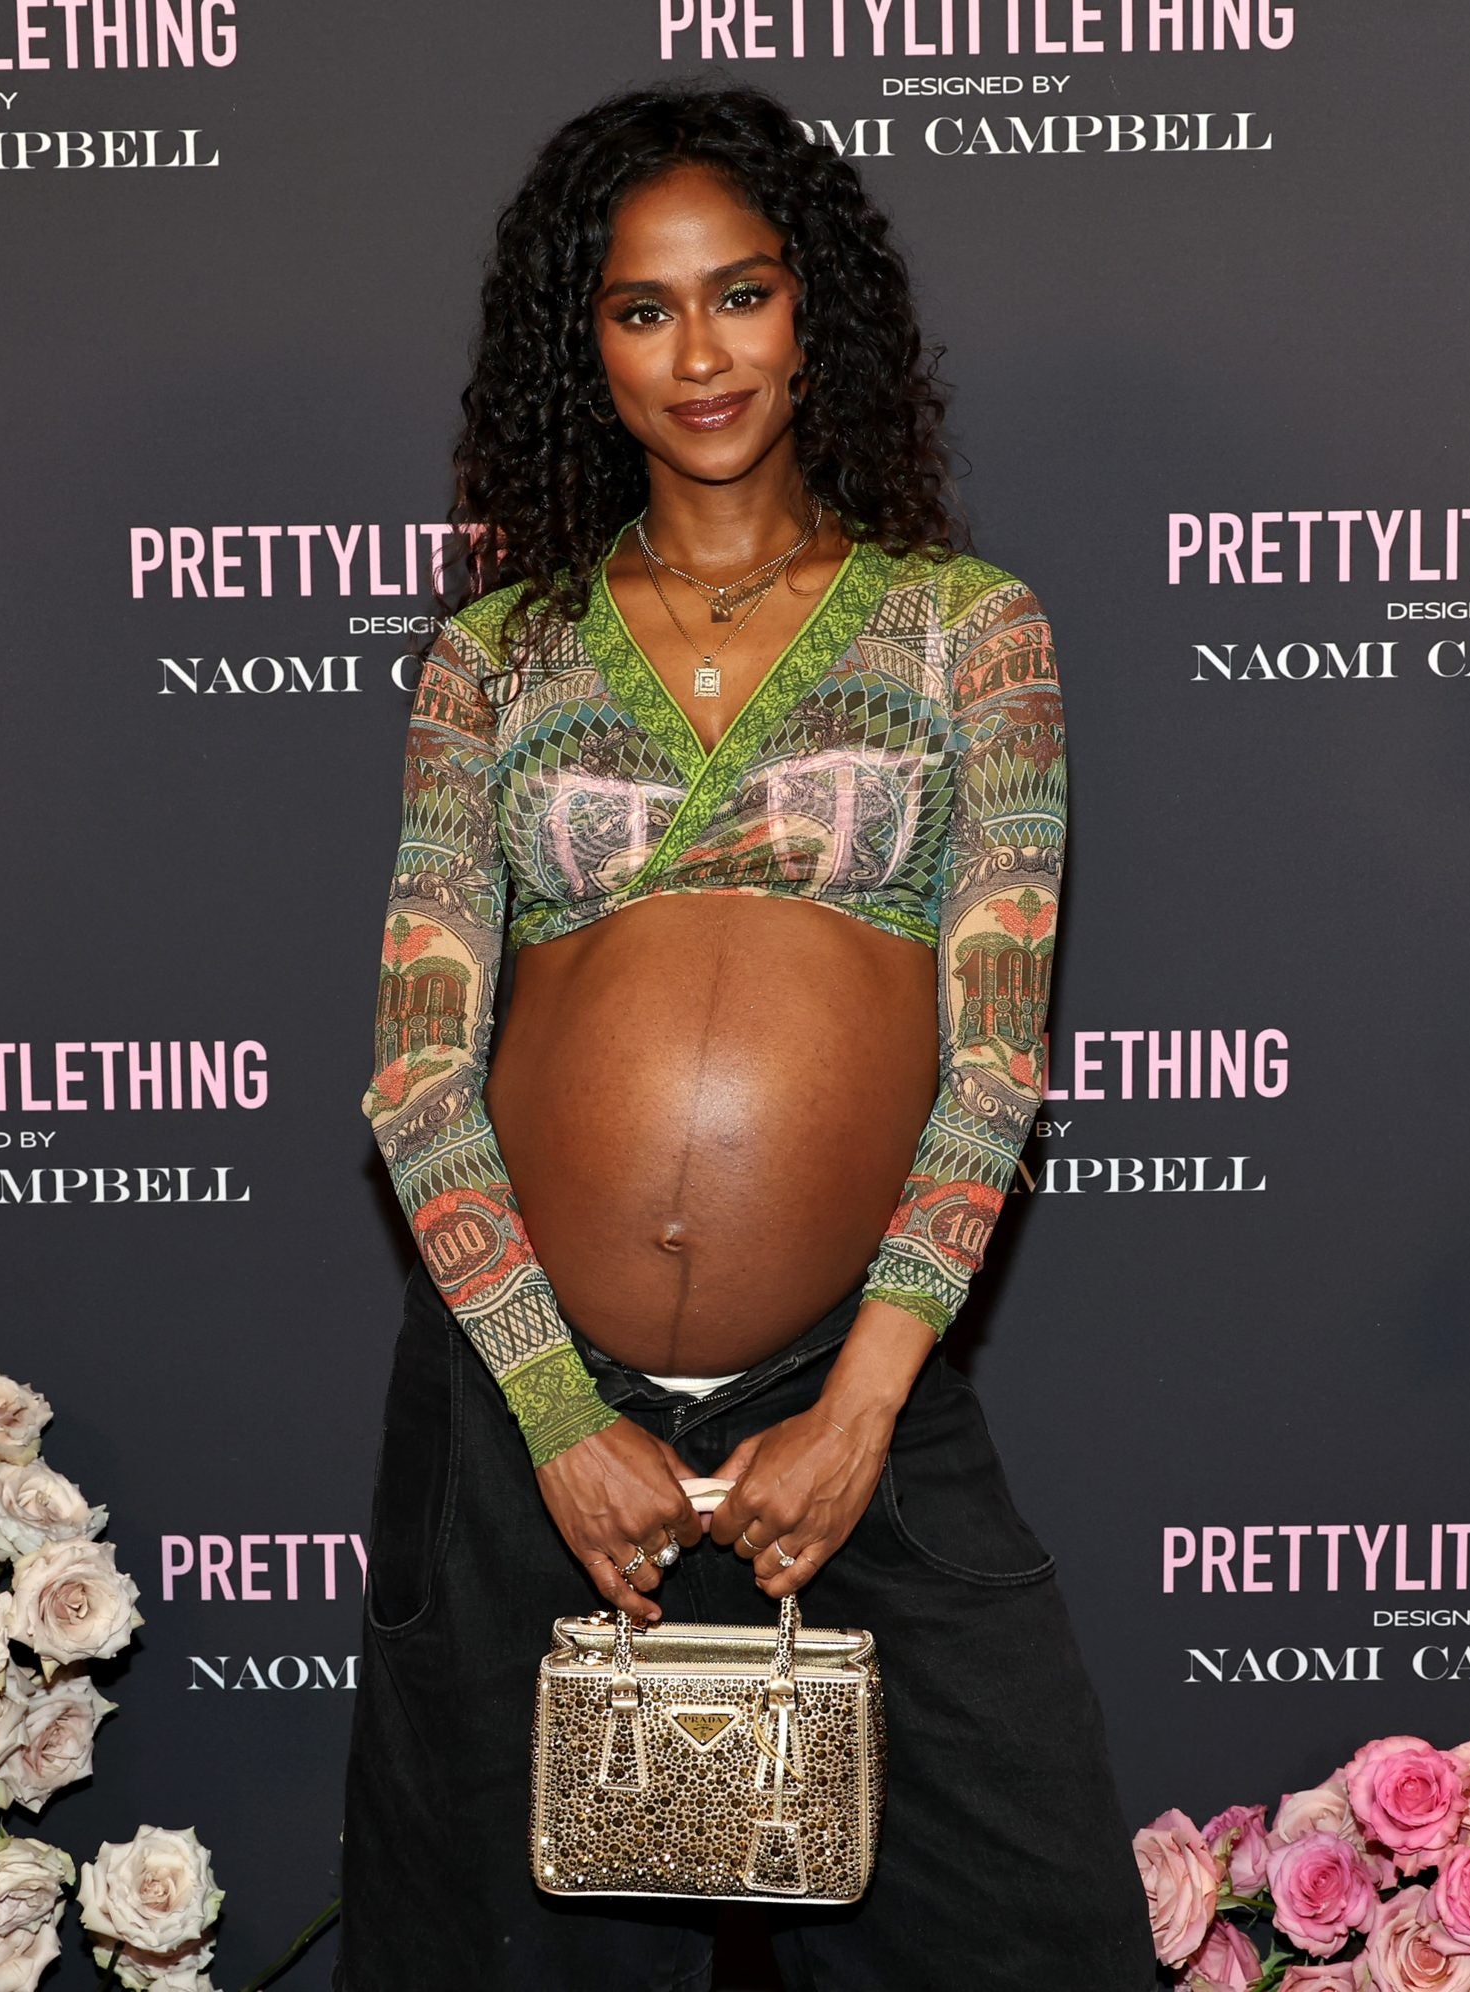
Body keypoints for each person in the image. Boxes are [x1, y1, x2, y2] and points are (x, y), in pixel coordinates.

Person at [340, 82, 1151, 1991]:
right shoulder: (495, 656)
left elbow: (995, 1055)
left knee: (1025, 1938)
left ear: (815, 316)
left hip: (851, 1403)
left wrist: (859, 1411)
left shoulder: (967, 633)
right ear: (587, 348)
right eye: (644, 309)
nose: (700, 355)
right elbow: (417, 1068)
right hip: (529, 1429)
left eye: (742, 294)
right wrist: (559, 1417)